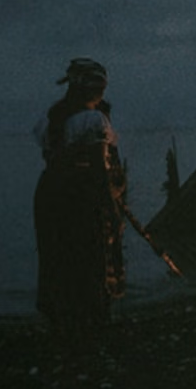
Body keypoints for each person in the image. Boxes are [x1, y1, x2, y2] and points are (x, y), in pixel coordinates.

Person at [32, 59, 129, 336]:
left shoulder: (53, 118)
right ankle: (90, 317)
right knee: (90, 254)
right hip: (80, 195)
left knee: (58, 254)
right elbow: (98, 169)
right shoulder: (92, 120)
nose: (101, 91)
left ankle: (61, 317)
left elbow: (52, 157)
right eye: (98, 86)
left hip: (50, 192)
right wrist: (111, 208)